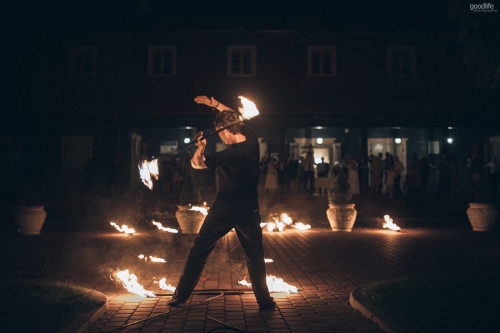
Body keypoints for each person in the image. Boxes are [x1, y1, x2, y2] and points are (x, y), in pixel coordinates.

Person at [168, 95, 275, 311]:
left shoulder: (230, 154)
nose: (222, 138)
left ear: (226, 131)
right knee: (255, 256)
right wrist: (215, 104)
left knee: (200, 249)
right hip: (249, 209)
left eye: (221, 133)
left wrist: (200, 147)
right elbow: (233, 118)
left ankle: (180, 297)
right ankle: (265, 301)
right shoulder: (251, 138)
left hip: (225, 208)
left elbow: (197, 165)